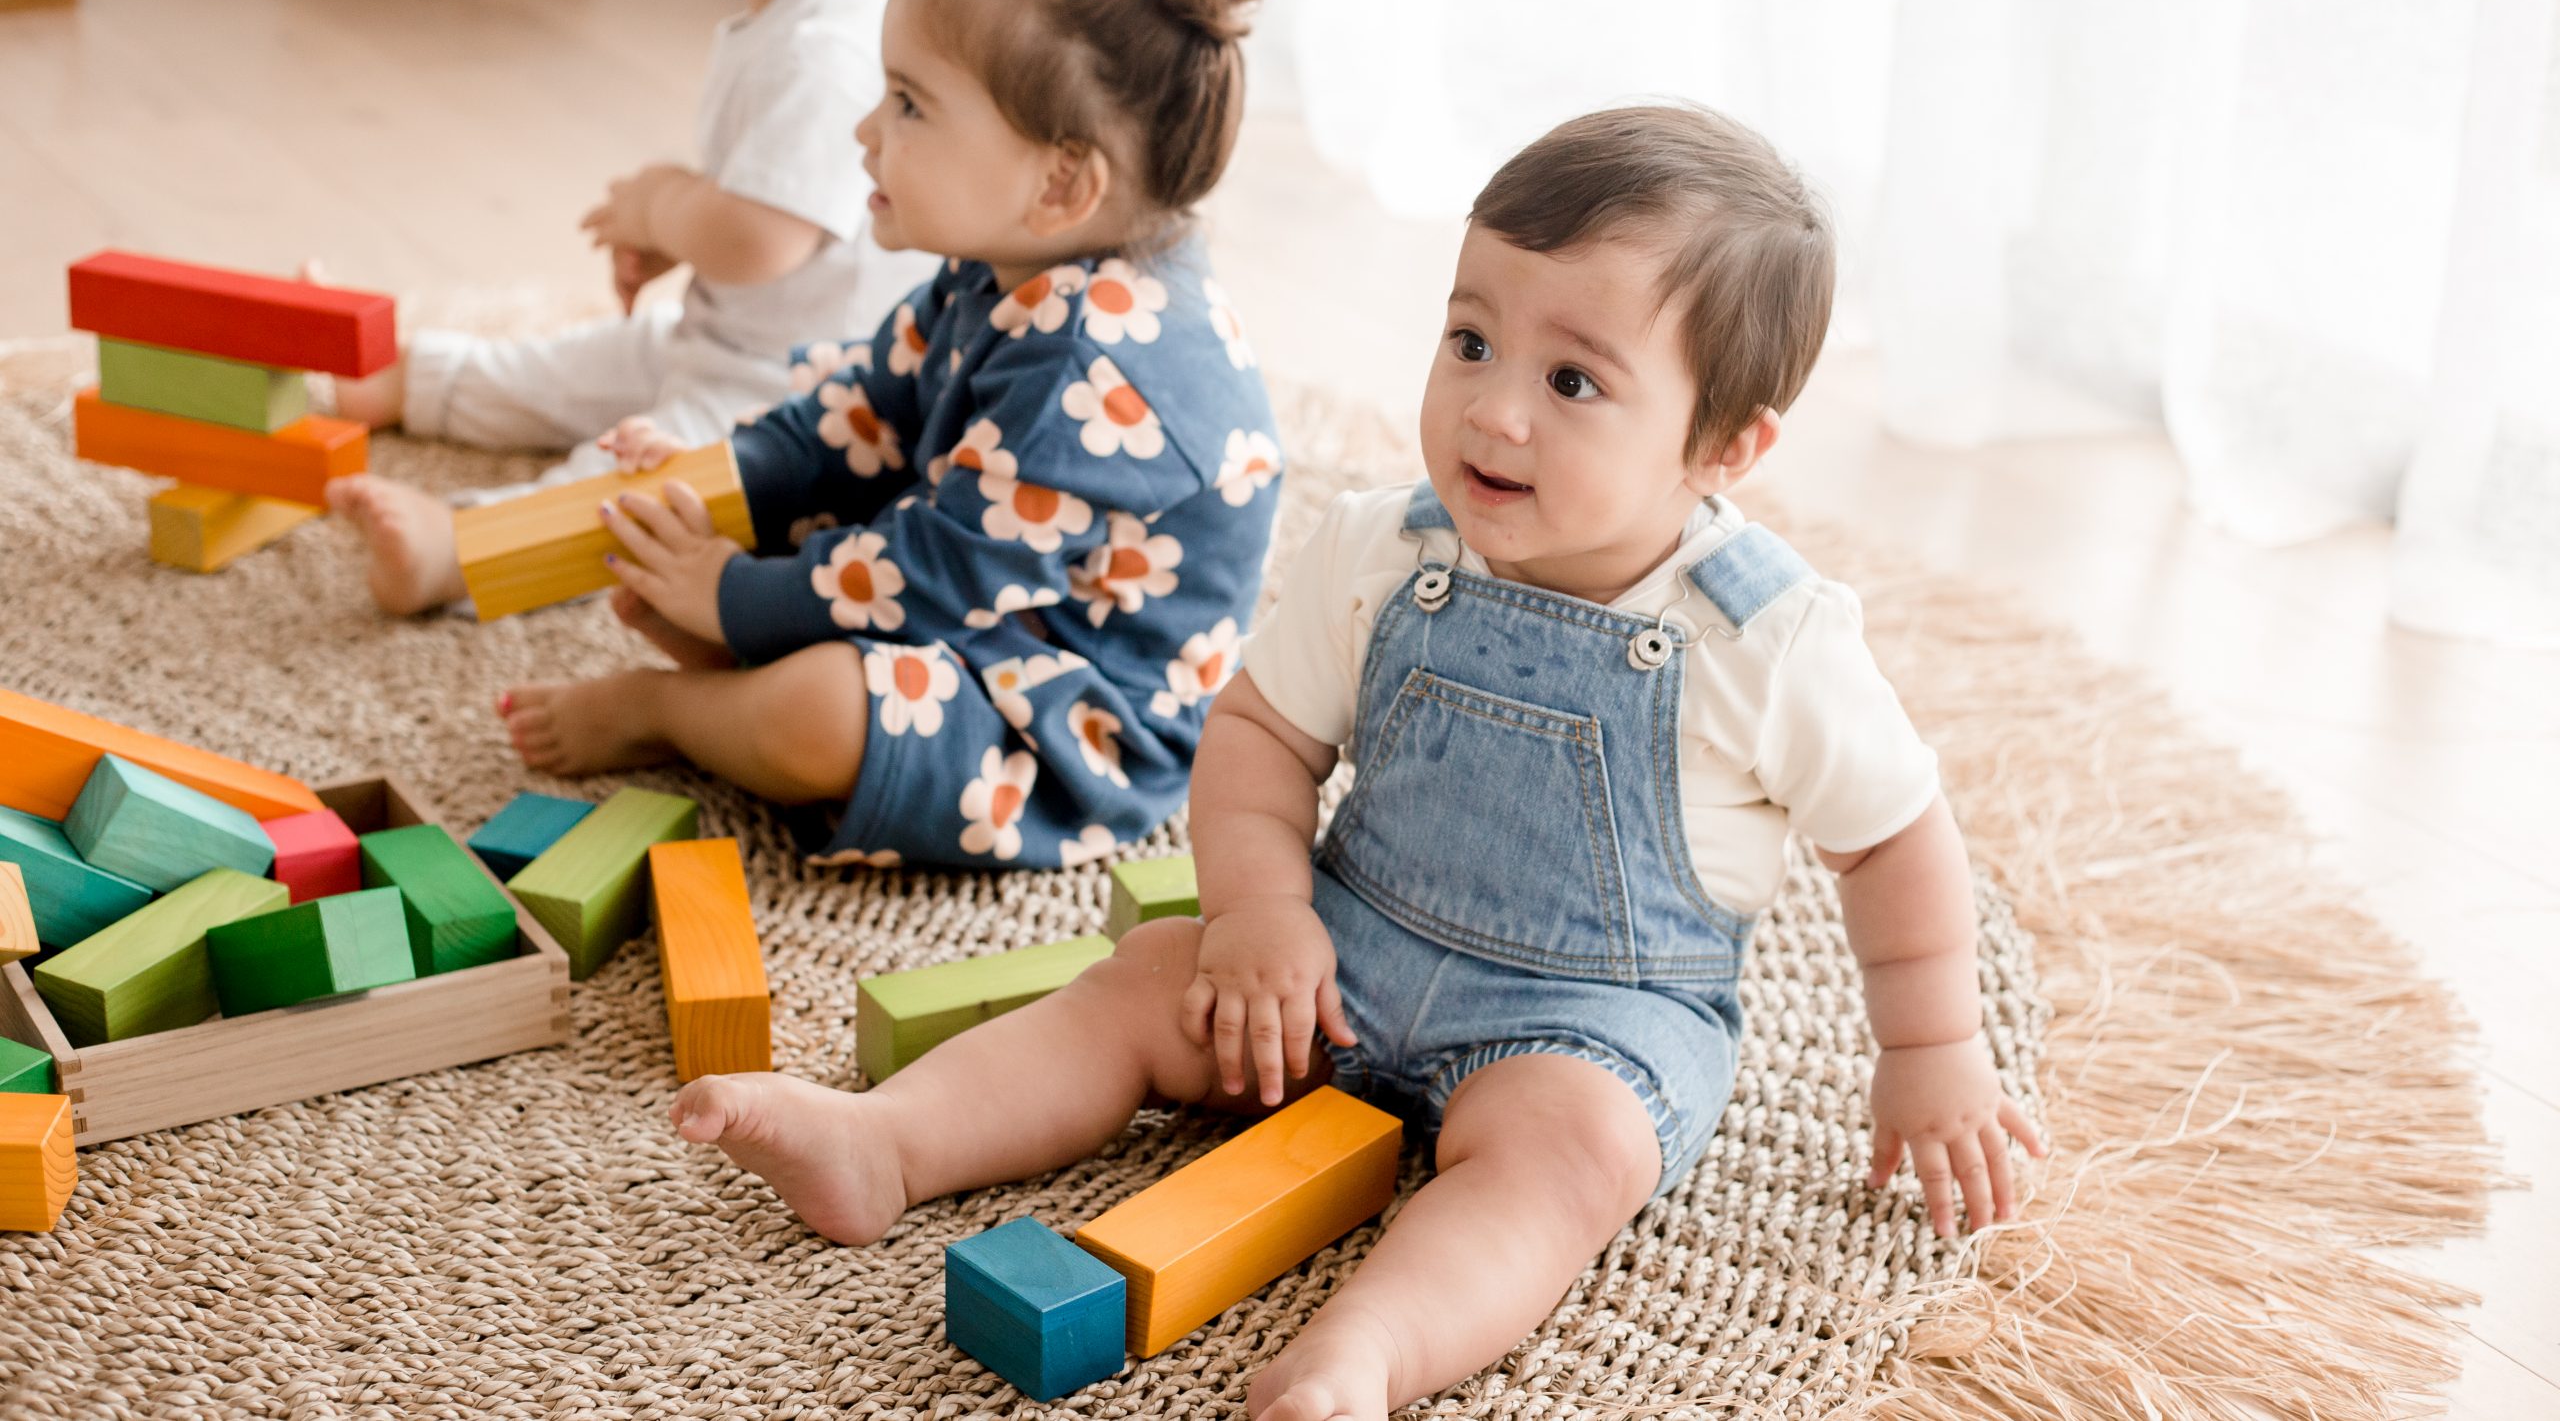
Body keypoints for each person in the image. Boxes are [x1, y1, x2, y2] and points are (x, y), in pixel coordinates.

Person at [665, 103, 2046, 1420]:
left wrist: (1932, 1047)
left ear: (1723, 444)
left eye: (1573, 380)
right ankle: (886, 1140)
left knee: (1571, 1154)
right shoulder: (1388, 554)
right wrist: (1262, 918)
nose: (1494, 413)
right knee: (1148, 981)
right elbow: (1261, 735)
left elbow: (1894, 836)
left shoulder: (1769, 636)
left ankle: (1367, 1348)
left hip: (1591, 1015)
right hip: (1342, 945)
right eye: (1469, 340)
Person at [499, 0, 1285, 875]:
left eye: (910, 105)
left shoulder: (1099, 365)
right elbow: (865, 417)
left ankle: (679, 712)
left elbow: (933, 573)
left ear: (1058, 185)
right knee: (706, 529)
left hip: (1070, 717)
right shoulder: (1005, 262)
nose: (865, 132)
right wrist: (719, 477)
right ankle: (746, 651)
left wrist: (738, 597)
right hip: (980, 593)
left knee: (813, 715)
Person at [329, 0, 967, 616]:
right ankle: (413, 380)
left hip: (806, 397)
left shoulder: (831, 43)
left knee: (656, 482)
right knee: (580, 364)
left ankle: (464, 550)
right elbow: (784, 214)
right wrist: (684, 227)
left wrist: (665, 206)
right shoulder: (808, 6)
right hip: (735, 340)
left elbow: (756, 238)